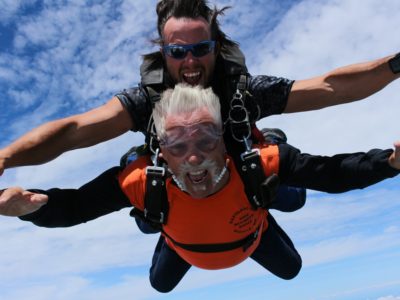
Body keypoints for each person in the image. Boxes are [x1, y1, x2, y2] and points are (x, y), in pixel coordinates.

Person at [1, 84, 399, 293]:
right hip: (184, 240)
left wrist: (389, 162)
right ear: (160, 150)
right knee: (160, 284)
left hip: (250, 230)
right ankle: (162, 226)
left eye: (206, 139)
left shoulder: (258, 162)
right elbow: (76, 207)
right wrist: (34, 207)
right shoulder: (142, 179)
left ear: (225, 140)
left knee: (292, 267)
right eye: (177, 145)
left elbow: (334, 173)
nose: (193, 158)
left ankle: (277, 194)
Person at [0, 0, 399, 176]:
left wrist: (395, 65)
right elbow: (73, 131)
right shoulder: (145, 102)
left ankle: (272, 145)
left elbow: (331, 87)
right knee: (154, 248)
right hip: (186, 192)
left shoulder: (245, 92)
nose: (190, 62)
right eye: (177, 51)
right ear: (163, 52)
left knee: (286, 191)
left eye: (200, 48)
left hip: (242, 180)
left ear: (216, 46)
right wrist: (5, 158)